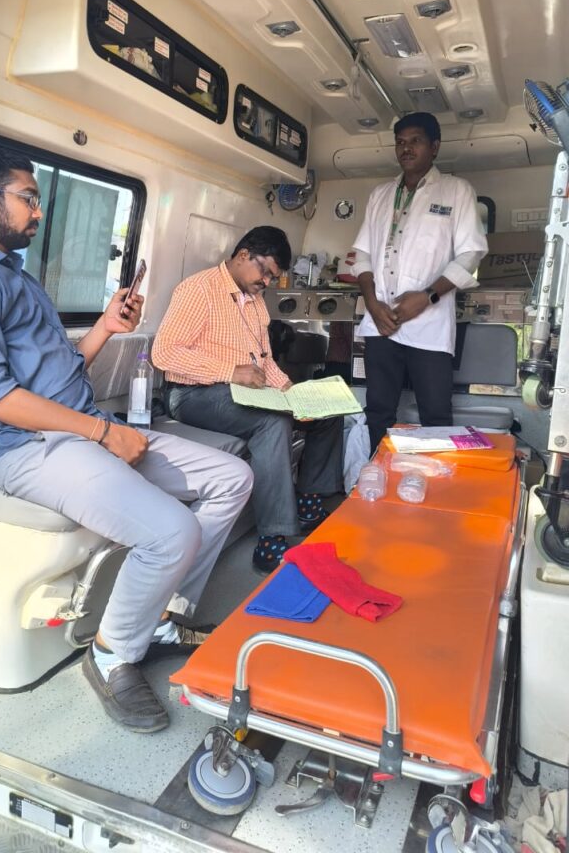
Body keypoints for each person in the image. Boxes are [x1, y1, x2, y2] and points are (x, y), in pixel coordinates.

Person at [0, 147, 253, 734]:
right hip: (25, 448)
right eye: (27, 198)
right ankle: (111, 655)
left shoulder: (16, 275)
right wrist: (105, 431)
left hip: (77, 429)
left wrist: (106, 327)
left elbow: (59, 372)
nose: (37, 211)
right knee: (172, 531)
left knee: (233, 478)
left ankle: (159, 617)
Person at [152, 226, 343, 575]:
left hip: (241, 391)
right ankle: (272, 539)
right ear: (243, 256)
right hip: (192, 395)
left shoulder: (255, 302)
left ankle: (308, 504)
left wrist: (290, 391)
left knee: (327, 413)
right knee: (272, 421)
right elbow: (164, 354)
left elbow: (265, 362)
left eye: (272, 277)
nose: (266, 282)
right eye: (265, 272)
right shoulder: (198, 289)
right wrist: (230, 371)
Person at [351, 112, 488, 454]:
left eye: (416, 141)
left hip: (429, 326)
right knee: (378, 411)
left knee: (436, 414)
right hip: (381, 323)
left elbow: (471, 253)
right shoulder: (381, 194)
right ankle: (378, 476)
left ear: (435, 147)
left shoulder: (456, 191)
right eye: (400, 142)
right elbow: (361, 255)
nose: (406, 148)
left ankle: (435, 482)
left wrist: (427, 297)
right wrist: (372, 304)